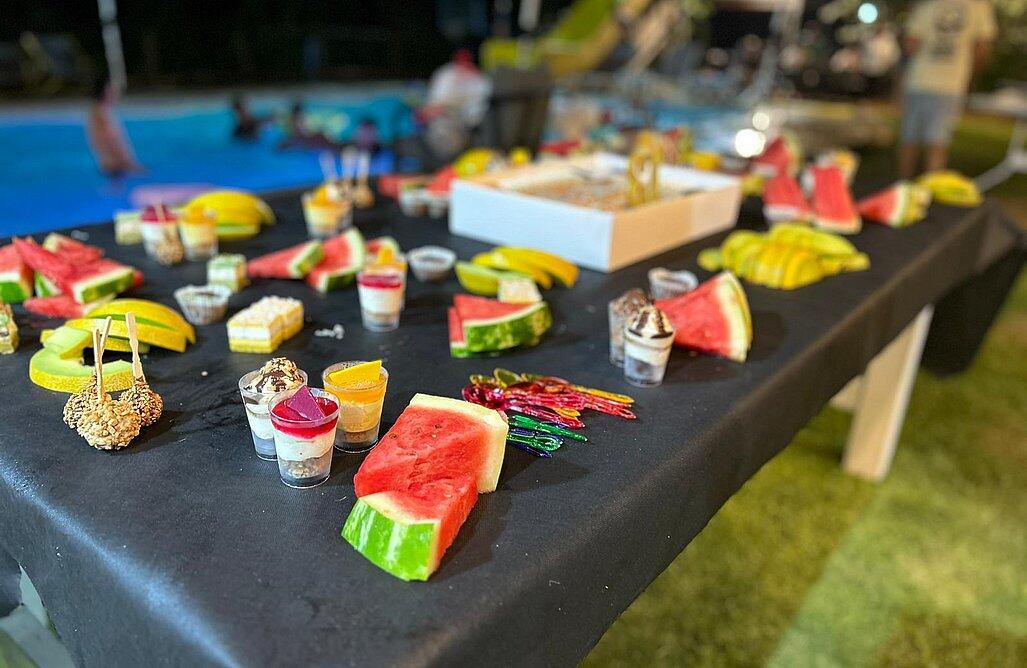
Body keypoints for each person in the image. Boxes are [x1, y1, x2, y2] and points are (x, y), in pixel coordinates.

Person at [899, 0, 996, 178]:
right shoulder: (978, 8)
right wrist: (971, 77)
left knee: (910, 139)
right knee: (938, 144)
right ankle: (930, 189)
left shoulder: (926, 6)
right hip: (951, 84)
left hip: (919, 80)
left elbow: (911, 45)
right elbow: (982, 49)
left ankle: (904, 184)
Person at [85, 77, 143, 177]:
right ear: (104, 92)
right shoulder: (102, 113)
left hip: (110, 164)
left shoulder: (98, 111)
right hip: (115, 165)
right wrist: (127, 162)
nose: (116, 92)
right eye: (112, 89)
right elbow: (111, 140)